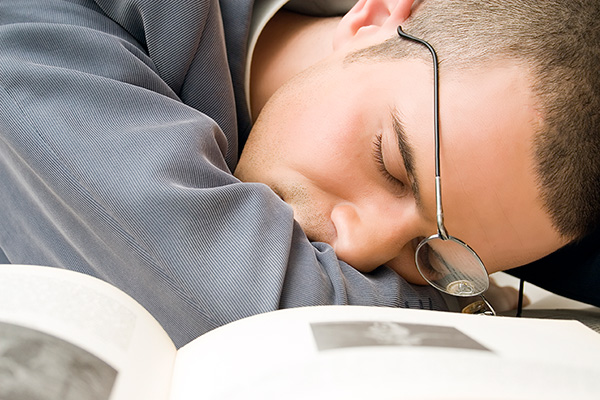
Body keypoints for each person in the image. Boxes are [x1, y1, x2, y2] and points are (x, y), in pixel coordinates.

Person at [0, 0, 597, 347]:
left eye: (431, 258)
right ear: (377, 17)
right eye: (392, 166)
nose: (359, 247)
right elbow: (235, 308)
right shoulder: (60, 30)